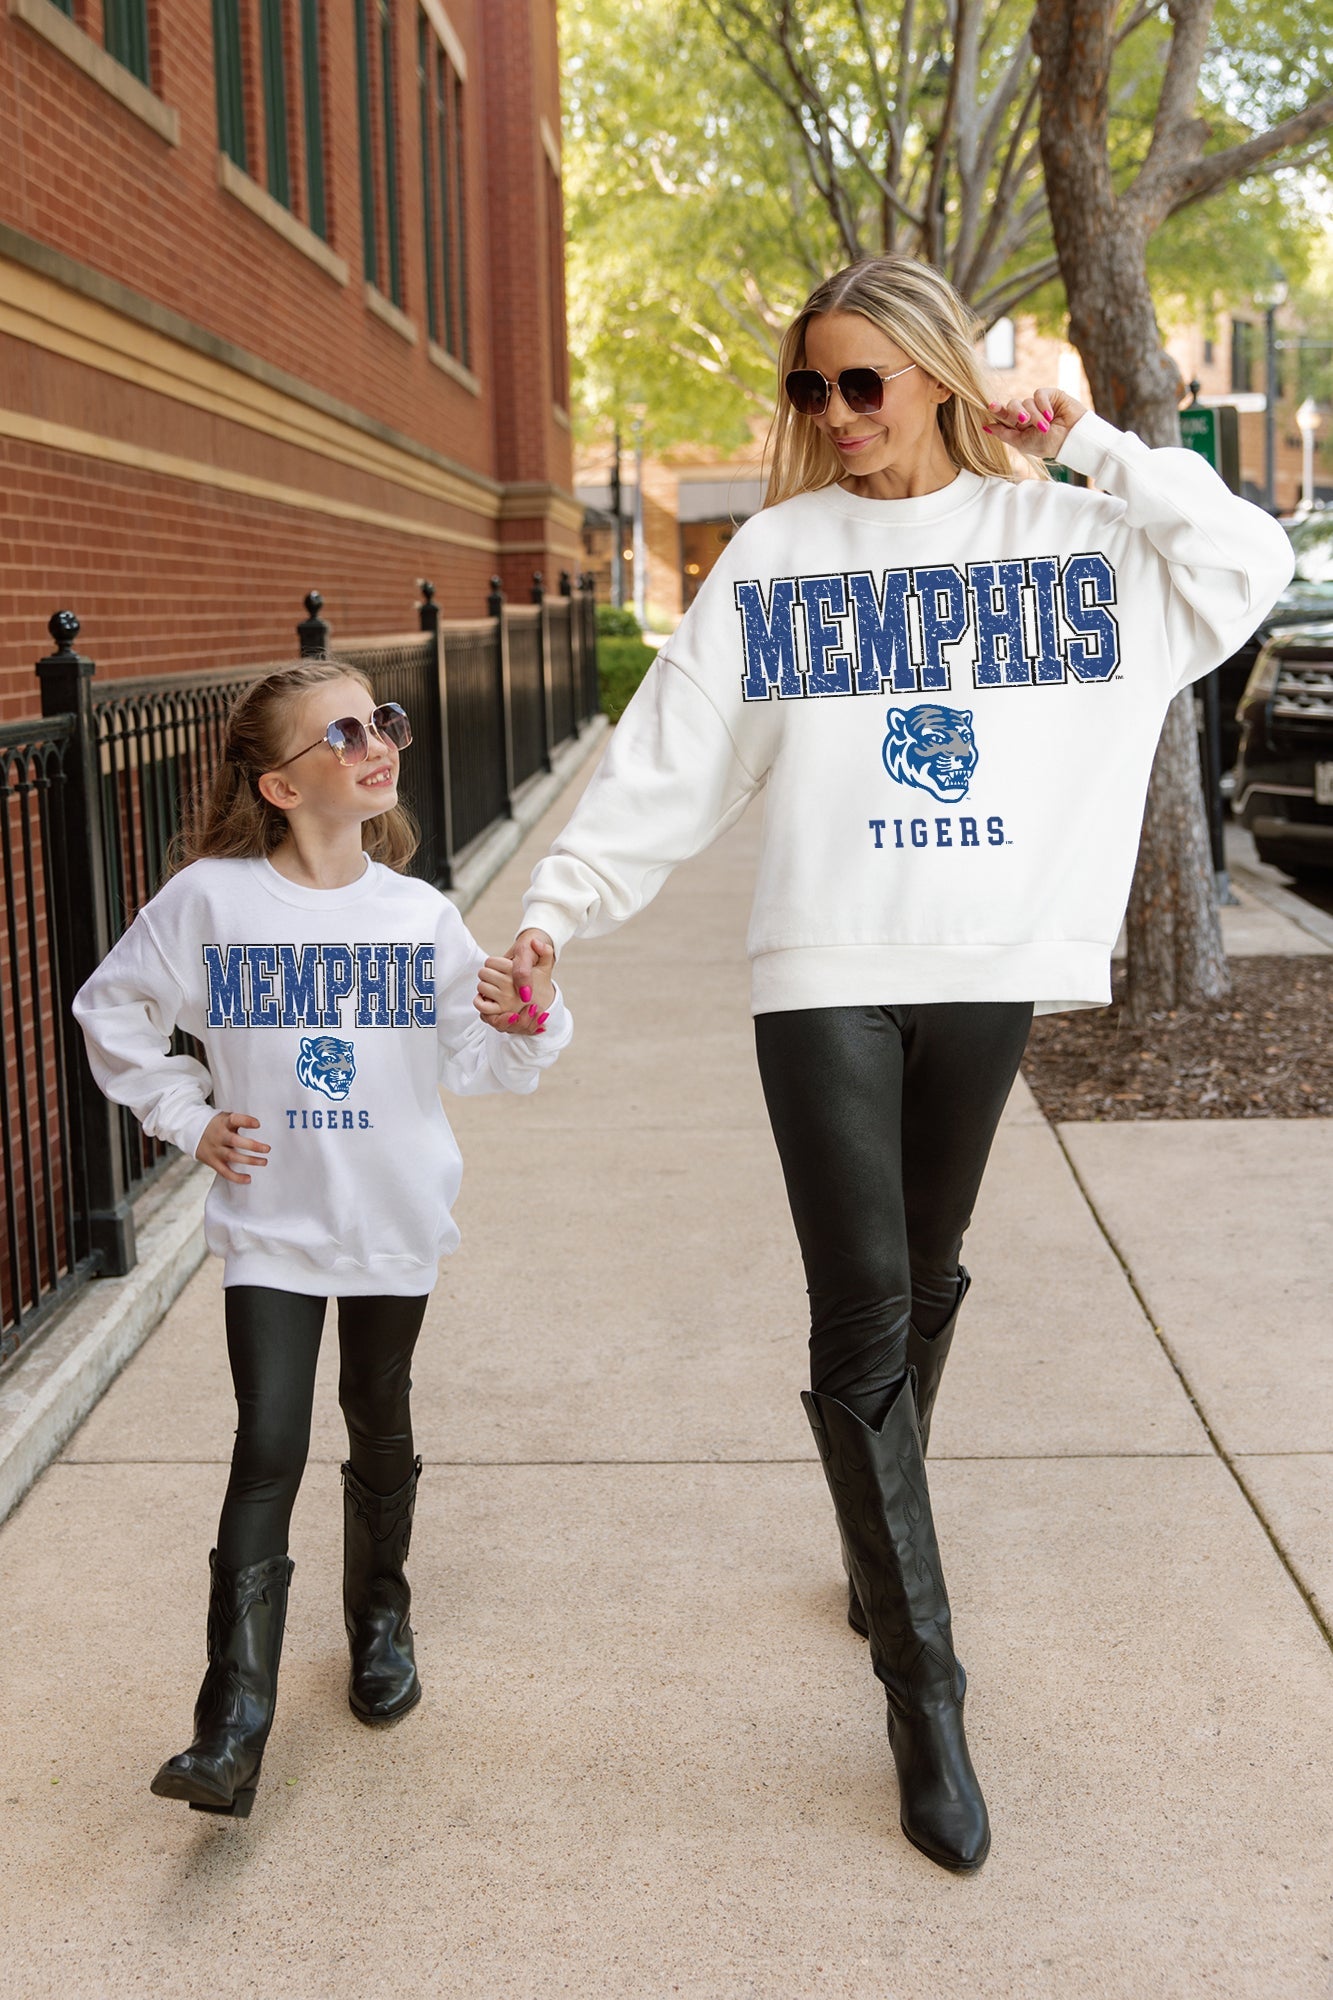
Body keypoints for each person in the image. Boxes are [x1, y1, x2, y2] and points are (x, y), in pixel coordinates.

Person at [484, 257, 1294, 1873]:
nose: (837, 415)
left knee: (924, 1274)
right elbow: (670, 758)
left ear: (937, 377)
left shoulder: (1063, 538)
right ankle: (925, 1691)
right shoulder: (779, 557)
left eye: (864, 382)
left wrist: (1088, 445)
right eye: (812, 388)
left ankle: (877, 1549)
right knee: (858, 1307)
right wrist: (554, 912)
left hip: (984, 966)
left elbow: (1246, 564)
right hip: (823, 970)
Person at [74, 659, 568, 1819]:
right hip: (272, 1225)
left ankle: (380, 1619)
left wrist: (528, 1009)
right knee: (269, 1442)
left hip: (390, 1215)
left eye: (378, 721)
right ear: (282, 786)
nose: (375, 743)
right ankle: (231, 1722)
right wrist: (187, 1113)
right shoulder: (211, 902)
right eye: (341, 732)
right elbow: (111, 1006)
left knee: (378, 1419)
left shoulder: (416, 913)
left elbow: (486, 1057)